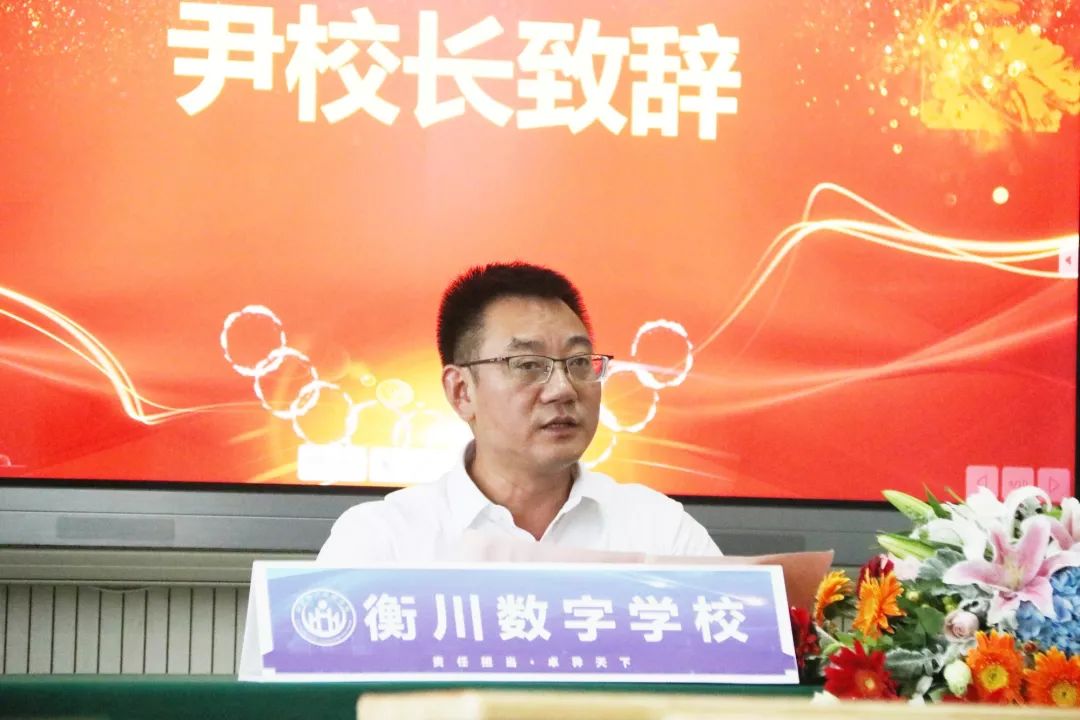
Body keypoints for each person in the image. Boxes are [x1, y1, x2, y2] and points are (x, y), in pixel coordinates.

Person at [317, 262, 721, 563]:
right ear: (461, 391)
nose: (563, 389)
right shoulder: (382, 542)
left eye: (579, 362)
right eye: (528, 365)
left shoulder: (660, 531)